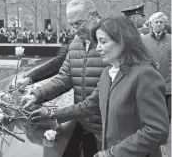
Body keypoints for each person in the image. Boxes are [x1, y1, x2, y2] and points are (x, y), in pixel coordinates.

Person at [29, 16, 169, 157]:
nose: (98, 48)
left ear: (123, 41)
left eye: (103, 42)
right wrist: (52, 114)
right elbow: (90, 104)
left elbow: (156, 131)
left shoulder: (144, 75)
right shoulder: (107, 73)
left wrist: (113, 153)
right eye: (97, 42)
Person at [21, 0, 109, 157]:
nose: (75, 29)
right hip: (83, 122)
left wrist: (55, 114)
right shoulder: (76, 42)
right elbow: (64, 78)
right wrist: (37, 95)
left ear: (94, 15)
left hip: (108, 127)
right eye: (71, 25)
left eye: (79, 23)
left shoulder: (112, 41)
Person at [142, 12, 171, 120]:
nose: (158, 24)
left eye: (161, 22)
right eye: (156, 22)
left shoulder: (171, 39)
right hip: (150, 85)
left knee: (167, 116)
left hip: (168, 87)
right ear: (151, 24)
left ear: (165, 25)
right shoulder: (143, 40)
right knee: (152, 116)